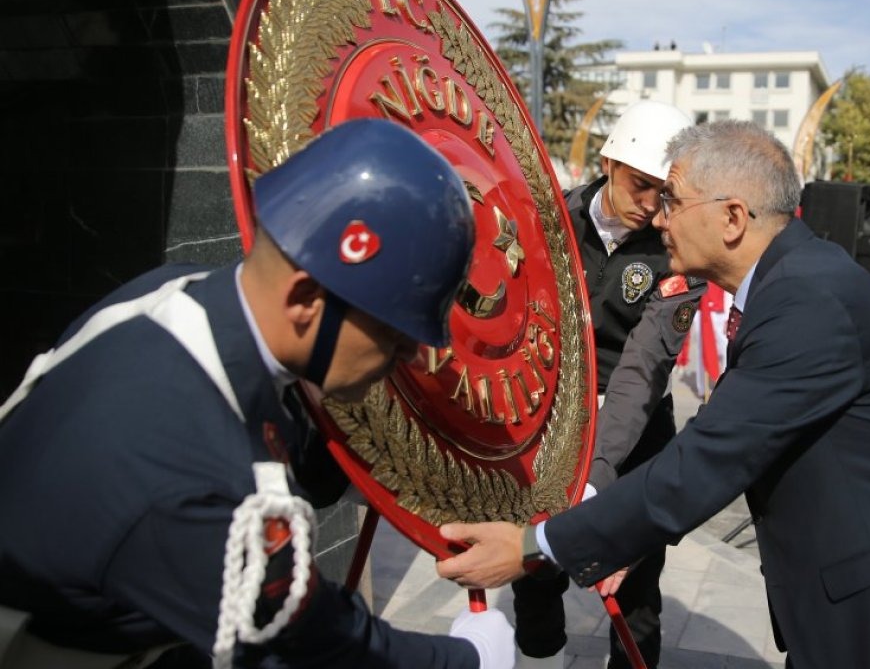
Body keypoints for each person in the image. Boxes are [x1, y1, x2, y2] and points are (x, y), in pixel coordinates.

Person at [436, 121, 870, 668]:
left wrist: (536, 546)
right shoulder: (790, 284)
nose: (660, 219)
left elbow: (713, 455)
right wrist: (630, 532)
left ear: (733, 217)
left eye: (674, 202)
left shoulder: (807, 302)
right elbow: (726, 438)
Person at [0, 119, 514, 669]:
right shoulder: (199, 478)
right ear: (305, 299)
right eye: (393, 331)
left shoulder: (174, 292)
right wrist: (470, 660)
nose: (411, 357)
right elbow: (311, 646)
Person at [513, 100, 699, 669]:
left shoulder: (681, 250)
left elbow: (643, 373)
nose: (652, 207)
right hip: (551, 425)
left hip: (637, 430)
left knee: (635, 589)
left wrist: (596, 480)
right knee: (534, 567)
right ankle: (541, 653)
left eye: (664, 194)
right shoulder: (551, 217)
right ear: (608, 161)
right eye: (642, 187)